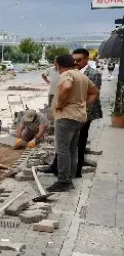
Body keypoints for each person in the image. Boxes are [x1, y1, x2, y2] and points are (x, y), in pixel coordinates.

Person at [42, 49, 103, 178]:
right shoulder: (75, 73)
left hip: (77, 115)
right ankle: (60, 168)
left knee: (74, 145)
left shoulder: (89, 74)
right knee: (68, 145)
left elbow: (91, 93)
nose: (75, 62)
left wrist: (62, 105)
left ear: (86, 59)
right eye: (73, 59)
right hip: (74, 115)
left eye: (78, 60)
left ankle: (70, 175)